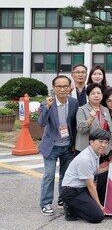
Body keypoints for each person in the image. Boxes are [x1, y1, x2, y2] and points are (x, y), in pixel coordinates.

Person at [38, 75, 78, 216]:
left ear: (70, 87)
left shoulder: (73, 102)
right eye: (59, 86)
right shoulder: (47, 103)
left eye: (65, 86)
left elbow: (74, 124)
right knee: (49, 175)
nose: (62, 89)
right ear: (53, 88)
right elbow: (41, 123)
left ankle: (63, 199)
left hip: (67, 145)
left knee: (65, 175)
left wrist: (75, 142)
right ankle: (45, 203)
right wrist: (47, 107)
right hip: (51, 146)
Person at [61, 129, 111, 223]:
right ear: (91, 142)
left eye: (106, 142)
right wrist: (99, 206)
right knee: (98, 216)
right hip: (72, 192)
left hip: (82, 188)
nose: (103, 145)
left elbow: (94, 172)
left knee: (107, 174)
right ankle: (71, 209)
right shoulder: (85, 158)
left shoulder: (95, 153)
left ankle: (94, 204)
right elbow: (90, 185)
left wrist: (110, 167)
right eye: (100, 142)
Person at [75, 83, 112, 156]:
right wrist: (90, 120)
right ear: (88, 96)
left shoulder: (105, 110)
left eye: (98, 93)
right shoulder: (82, 109)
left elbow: (109, 129)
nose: (96, 96)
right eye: (93, 93)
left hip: (102, 149)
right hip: (86, 148)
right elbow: (80, 129)